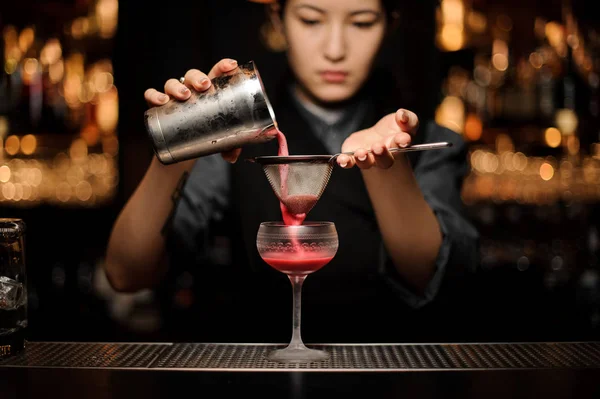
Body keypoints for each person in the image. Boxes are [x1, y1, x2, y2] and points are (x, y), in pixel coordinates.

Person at [104, 0, 479, 343]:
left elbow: (438, 279)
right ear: (277, 20)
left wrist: (385, 162)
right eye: (312, 20)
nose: (335, 49)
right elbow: (126, 274)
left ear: (389, 24)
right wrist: (179, 147)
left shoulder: (427, 139)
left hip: (388, 370)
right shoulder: (238, 139)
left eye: (362, 23)